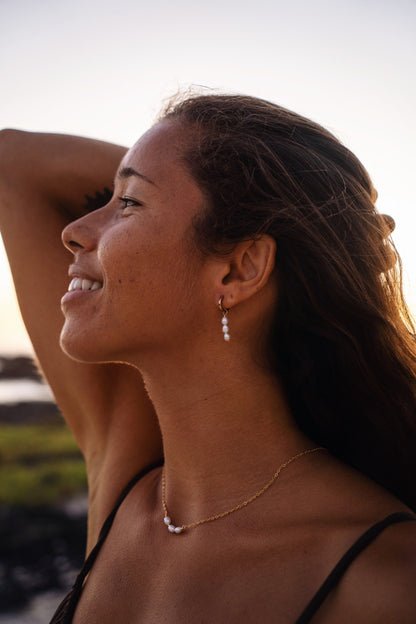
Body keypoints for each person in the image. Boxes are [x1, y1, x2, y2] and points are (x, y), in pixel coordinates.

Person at [1, 92, 416, 623]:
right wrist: (324, 226)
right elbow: (11, 162)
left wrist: (314, 225)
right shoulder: (128, 484)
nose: (74, 229)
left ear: (239, 270)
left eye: (126, 203)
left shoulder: (386, 579)